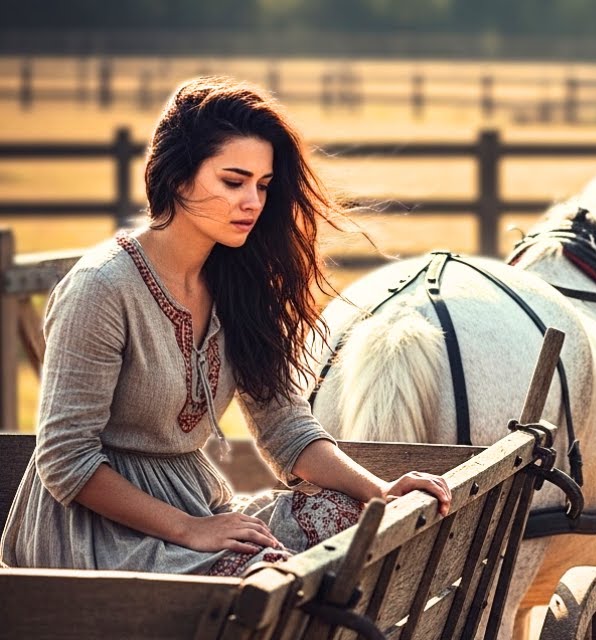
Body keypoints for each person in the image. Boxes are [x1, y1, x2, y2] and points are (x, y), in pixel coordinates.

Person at [1, 76, 451, 577]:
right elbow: (65, 461)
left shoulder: (238, 282)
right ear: (177, 178)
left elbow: (285, 427)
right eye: (233, 182)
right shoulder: (101, 288)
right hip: (90, 532)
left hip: (194, 506)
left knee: (357, 522)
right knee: (273, 577)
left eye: (262, 185)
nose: (253, 202)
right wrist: (188, 529)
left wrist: (381, 493)